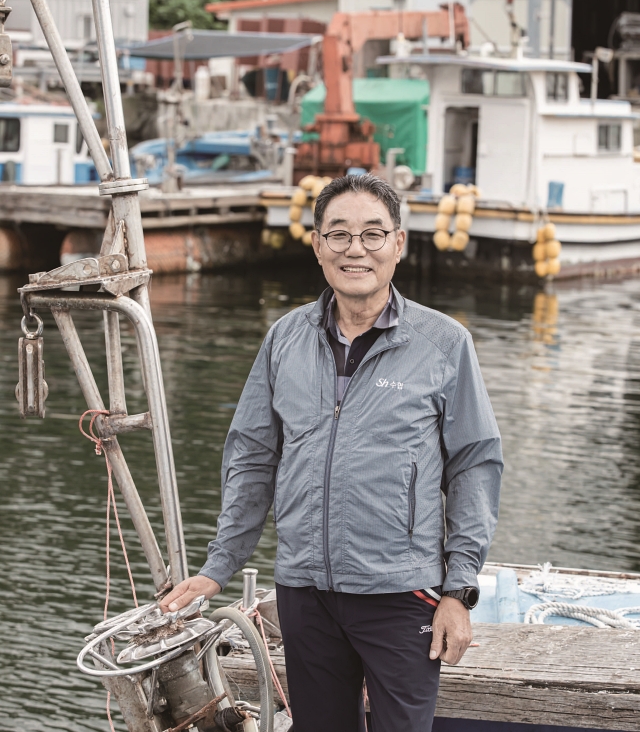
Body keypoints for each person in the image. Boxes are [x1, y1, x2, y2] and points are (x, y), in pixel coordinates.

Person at [161, 173, 503, 732]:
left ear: (398, 243)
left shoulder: (444, 345)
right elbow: (252, 456)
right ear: (317, 245)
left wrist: (458, 591)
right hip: (304, 591)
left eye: (373, 233)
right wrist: (219, 567)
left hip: (402, 592)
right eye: (338, 234)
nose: (355, 249)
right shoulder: (285, 339)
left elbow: (475, 467)